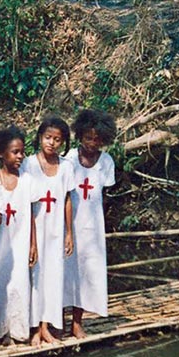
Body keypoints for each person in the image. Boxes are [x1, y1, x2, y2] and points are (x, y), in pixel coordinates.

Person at [63, 109, 117, 338]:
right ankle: (56, 322)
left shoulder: (106, 162)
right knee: (63, 272)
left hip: (92, 227)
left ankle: (77, 321)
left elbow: (102, 195)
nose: (92, 143)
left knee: (86, 273)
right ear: (79, 135)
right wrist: (66, 231)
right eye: (88, 138)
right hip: (67, 225)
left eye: (97, 139)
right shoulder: (69, 160)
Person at [22, 116, 75, 347]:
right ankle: (33, 328)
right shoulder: (28, 164)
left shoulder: (66, 167)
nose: (51, 143)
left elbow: (66, 199)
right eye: (47, 138)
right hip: (33, 228)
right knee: (34, 276)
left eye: (57, 140)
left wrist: (69, 232)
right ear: (39, 137)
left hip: (55, 229)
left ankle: (46, 326)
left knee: (52, 277)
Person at [0, 126, 37, 344]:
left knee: (18, 283)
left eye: (22, 152)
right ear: (0, 154)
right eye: (15, 152)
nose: (20, 156)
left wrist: (33, 244)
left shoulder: (27, 180)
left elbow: (32, 215)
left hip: (20, 242)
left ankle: (15, 330)